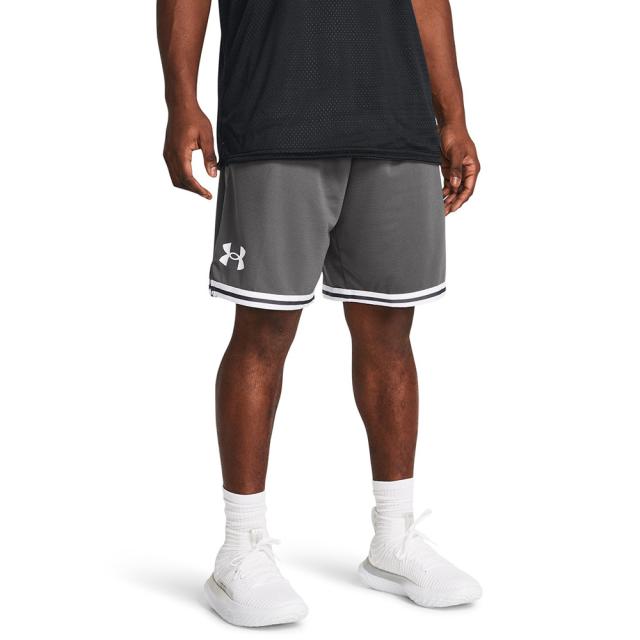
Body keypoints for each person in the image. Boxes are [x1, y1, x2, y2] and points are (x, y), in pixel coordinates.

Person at [157, 0, 481, 627]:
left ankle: (394, 539)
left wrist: (455, 118)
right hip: (276, 116)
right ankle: (241, 548)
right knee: (264, 330)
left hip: (397, 121)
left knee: (390, 329)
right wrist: (181, 101)